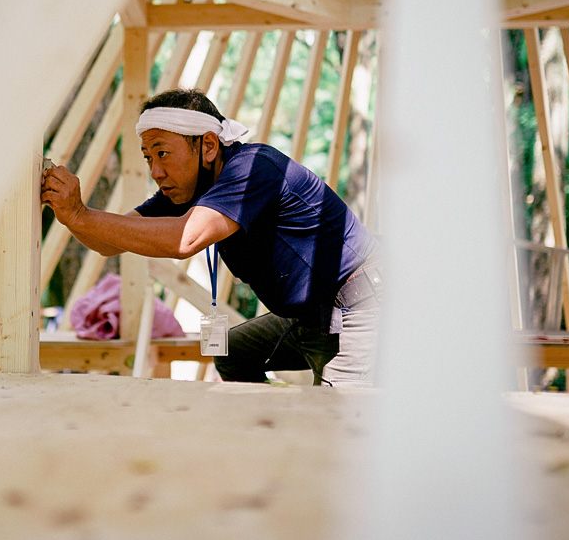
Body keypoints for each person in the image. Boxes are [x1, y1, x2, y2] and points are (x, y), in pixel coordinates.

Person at [40, 88, 382, 387]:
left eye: (162, 153)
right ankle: (265, 439)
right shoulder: (187, 189)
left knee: (341, 426)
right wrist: (69, 214)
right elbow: (108, 242)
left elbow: (183, 240)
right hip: (313, 316)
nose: (155, 171)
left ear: (207, 146)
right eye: (148, 158)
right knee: (234, 354)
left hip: (357, 308)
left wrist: (81, 214)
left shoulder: (254, 168)